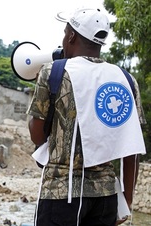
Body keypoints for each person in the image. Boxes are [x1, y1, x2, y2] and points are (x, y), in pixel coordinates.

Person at [27, 8, 146, 226]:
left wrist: (40, 93)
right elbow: (132, 148)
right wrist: (126, 200)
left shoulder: (53, 72)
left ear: (71, 35)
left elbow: (36, 136)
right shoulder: (126, 80)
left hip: (60, 194)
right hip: (106, 198)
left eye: (65, 33)